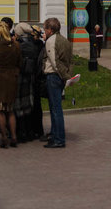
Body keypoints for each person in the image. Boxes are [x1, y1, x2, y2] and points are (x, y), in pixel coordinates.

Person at [41, 17, 72, 149]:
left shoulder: (51, 41)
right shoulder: (65, 40)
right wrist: (67, 76)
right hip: (60, 76)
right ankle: (55, 135)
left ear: (50, 29)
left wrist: (63, 76)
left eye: (45, 28)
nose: (44, 31)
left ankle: (59, 139)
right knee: (56, 108)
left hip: (54, 76)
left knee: (55, 109)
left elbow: (54, 62)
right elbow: (68, 61)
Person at [13, 23, 39, 142]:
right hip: (30, 78)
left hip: (20, 78)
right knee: (28, 106)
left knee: (19, 107)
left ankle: (21, 133)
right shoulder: (33, 45)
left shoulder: (18, 46)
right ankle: (30, 132)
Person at [0, 20, 21, 148]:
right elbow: (20, 63)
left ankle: (4, 137)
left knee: (0, 110)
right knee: (10, 110)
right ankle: (14, 137)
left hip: (0, 80)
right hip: (12, 79)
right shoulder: (16, 45)